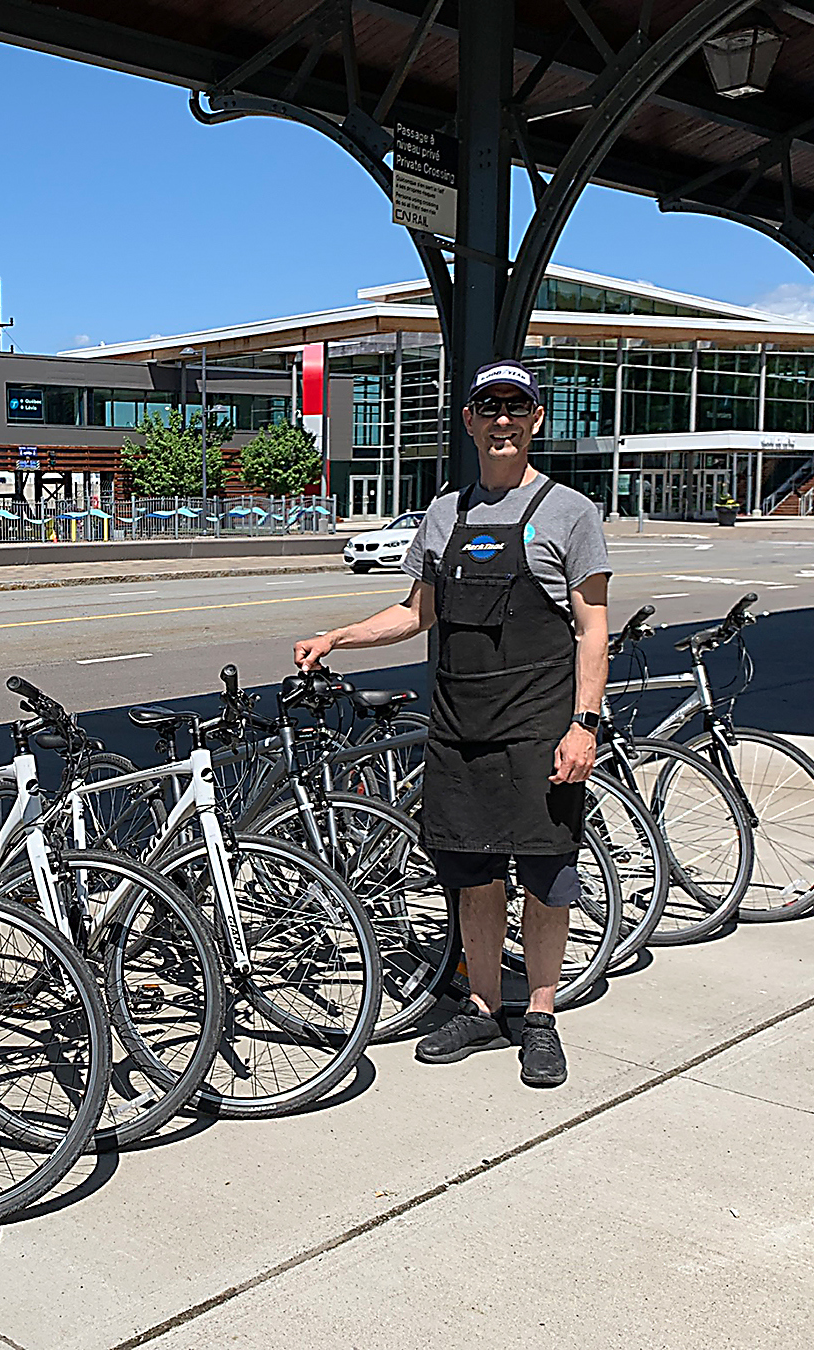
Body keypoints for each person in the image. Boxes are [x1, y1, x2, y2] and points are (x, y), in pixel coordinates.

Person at [294, 360, 611, 1088]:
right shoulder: (445, 513)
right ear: (468, 420)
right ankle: (479, 1004)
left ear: (536, 419)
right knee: (471, 876)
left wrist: (584, 723)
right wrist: (339, 636)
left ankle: (538, 1017)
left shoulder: (570, 511)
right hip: (460, 723)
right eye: (488, 406)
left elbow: (592, 628)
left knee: (544, 878)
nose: (502, 419)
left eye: (515, 406)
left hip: (539, 727)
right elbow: (416, 613)